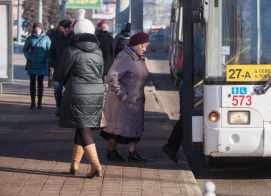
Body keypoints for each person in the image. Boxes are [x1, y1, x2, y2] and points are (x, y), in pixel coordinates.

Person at [54, 17, 104, 178]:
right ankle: (74, 165)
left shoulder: (71, 50)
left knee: (83, 128)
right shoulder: (98, 51)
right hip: (96, 92)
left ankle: (95, 165)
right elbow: (101, 72)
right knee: (82, 126)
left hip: (77, 91)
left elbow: (61, 73)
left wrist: (65, 81)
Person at [100, 32, 150, 163]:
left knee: (135, 127)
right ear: (136, 45)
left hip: (136, 99)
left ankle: (132, 153)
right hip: (121, 101)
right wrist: (122, 95)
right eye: (143, 46)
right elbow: (112, 77)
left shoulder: (138, 57)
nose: (145, 49)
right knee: (116, 126)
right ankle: (112, 151)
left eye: (146, 46)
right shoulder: (124, 57)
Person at [23, 22, 51, 109]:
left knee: (40, 83)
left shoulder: (46, 38)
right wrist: (29, 57)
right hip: (32, 63)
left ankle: (39, 102)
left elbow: (49, 50)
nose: (37, 30)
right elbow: (25, 49)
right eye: (35, 28)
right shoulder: (30, 38)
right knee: (32, 83)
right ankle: (32, 102)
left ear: (41, 29)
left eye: (38, 28)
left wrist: (47, 60)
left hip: (42, 64)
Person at [49, 19, 74, 116]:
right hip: (58, 68)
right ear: (61, 28)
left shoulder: (73, 38)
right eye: (65, 28)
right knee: (58, 89)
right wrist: (54, 63)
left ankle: (68, 109)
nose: (67, 30)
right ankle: (59, 107)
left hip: (71, 69)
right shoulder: (56, 38)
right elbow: (51, 53)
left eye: (69, 27)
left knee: (70, 90)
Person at [162, 70, 183, 163]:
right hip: (190, 90)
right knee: (184, 121)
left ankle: (171, 147)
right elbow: (181, 72)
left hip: (190, 88)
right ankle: (171, 147)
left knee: (183, 121)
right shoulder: (199, 55)